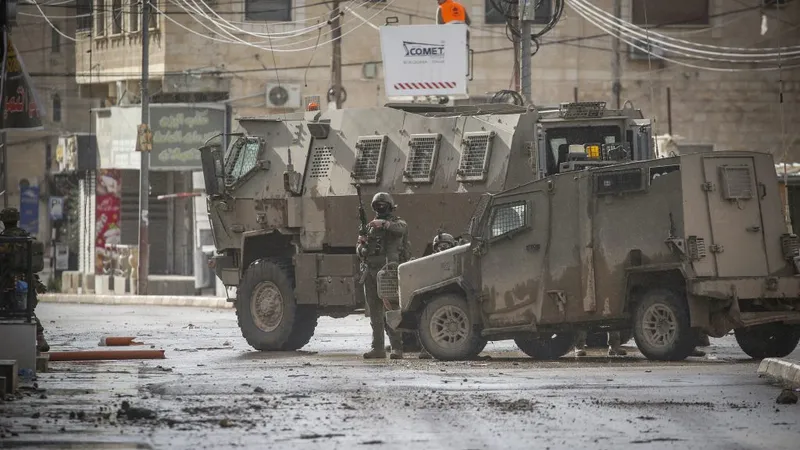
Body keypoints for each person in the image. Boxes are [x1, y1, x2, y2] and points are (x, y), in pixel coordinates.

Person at [357, 193, 409, 360]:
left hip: (387, 271)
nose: (380, 208)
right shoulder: (369, 227)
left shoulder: (397, 223)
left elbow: (401, 229)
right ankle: (377, 348)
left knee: (391, 310)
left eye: (383, 205)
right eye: (377, 205)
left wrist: (384, 224)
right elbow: (359, 249)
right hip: (370, 271)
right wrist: (362, 245)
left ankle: (397, 348)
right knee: (375, 313)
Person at [0, 208, 49, 352]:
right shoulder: (26, 237)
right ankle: (40, 338)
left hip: (7, 282)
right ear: (17, 219)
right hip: (27, 281)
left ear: (3, 220)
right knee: (27, 311)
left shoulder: (3, 240)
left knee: (7, 311)